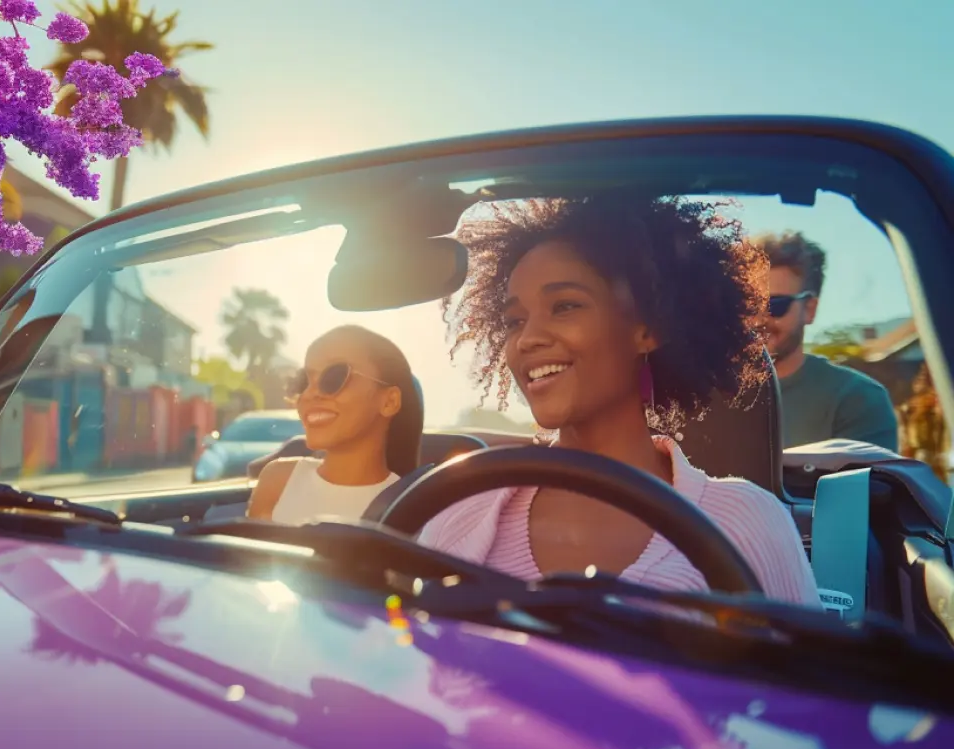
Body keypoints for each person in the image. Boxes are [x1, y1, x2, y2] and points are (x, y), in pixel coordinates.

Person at [418, 196, 820, 606]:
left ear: (647, 330)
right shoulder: (461, 514)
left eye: (565, 306)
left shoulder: (747, 522)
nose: (528, 338)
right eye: (514, 321)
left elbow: (812, 669)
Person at [246, 325, 422, 524]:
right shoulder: (277, 480)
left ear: (389, 402)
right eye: (305, 381)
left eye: (335, 377)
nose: (308, 394)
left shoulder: (409, 506)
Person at [756, 231, 898, 450]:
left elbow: (863, 484)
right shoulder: (701, 395)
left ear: (809, 309)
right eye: (746, 304)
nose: (758, 319)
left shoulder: (856, 399)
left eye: (775, 305)